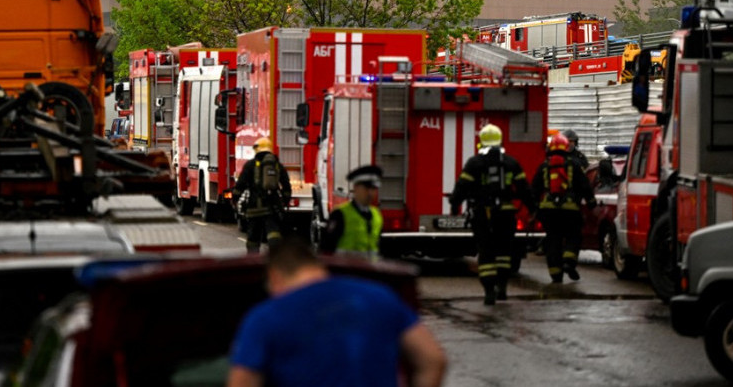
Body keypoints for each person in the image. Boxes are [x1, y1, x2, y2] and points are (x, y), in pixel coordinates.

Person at [227, 236, 447, 387]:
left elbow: (243, 381)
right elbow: (433, 359)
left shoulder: (266, 317)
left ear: (275, 276)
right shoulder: (380, 296)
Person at [450, 124, 535, 305]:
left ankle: (489, 291)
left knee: (486, 251)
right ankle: (502, 287)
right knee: (504, 251)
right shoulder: (511, 163)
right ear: (500, 140)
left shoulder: (474, 163)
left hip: (482, 214)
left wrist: (454, 205)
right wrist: (533, 209)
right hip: (506, 214)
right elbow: (524, 189)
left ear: (481, 141)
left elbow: (461, 187)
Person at [532, 132, 595, 283]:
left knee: (553, 239)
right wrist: (591, 201)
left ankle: (555, 274)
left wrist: (534, 208)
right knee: (574, 235)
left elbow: (534, 188)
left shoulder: (544, 166)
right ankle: (569, 262)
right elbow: (584, 185)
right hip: (570, 209)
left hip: (548, 210)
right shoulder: (575, 164)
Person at [233, 137, 292, 253]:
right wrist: (285, 201)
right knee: (273, 232)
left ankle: (253, 260)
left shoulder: (250, 165)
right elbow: (286, 185)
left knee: (253, 237)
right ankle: (275, 257)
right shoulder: (277, 165)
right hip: (273, 206)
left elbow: (240, 185)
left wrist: (235, 199)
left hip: (254, 207)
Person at [319, 164, 384, 257]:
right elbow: (326, 249)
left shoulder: (377, 215)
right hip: (344, 270)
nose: (370, 193)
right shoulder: (340, 214)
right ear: (356, 187)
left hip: (370, 271)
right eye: (366, 188)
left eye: (373, 189)